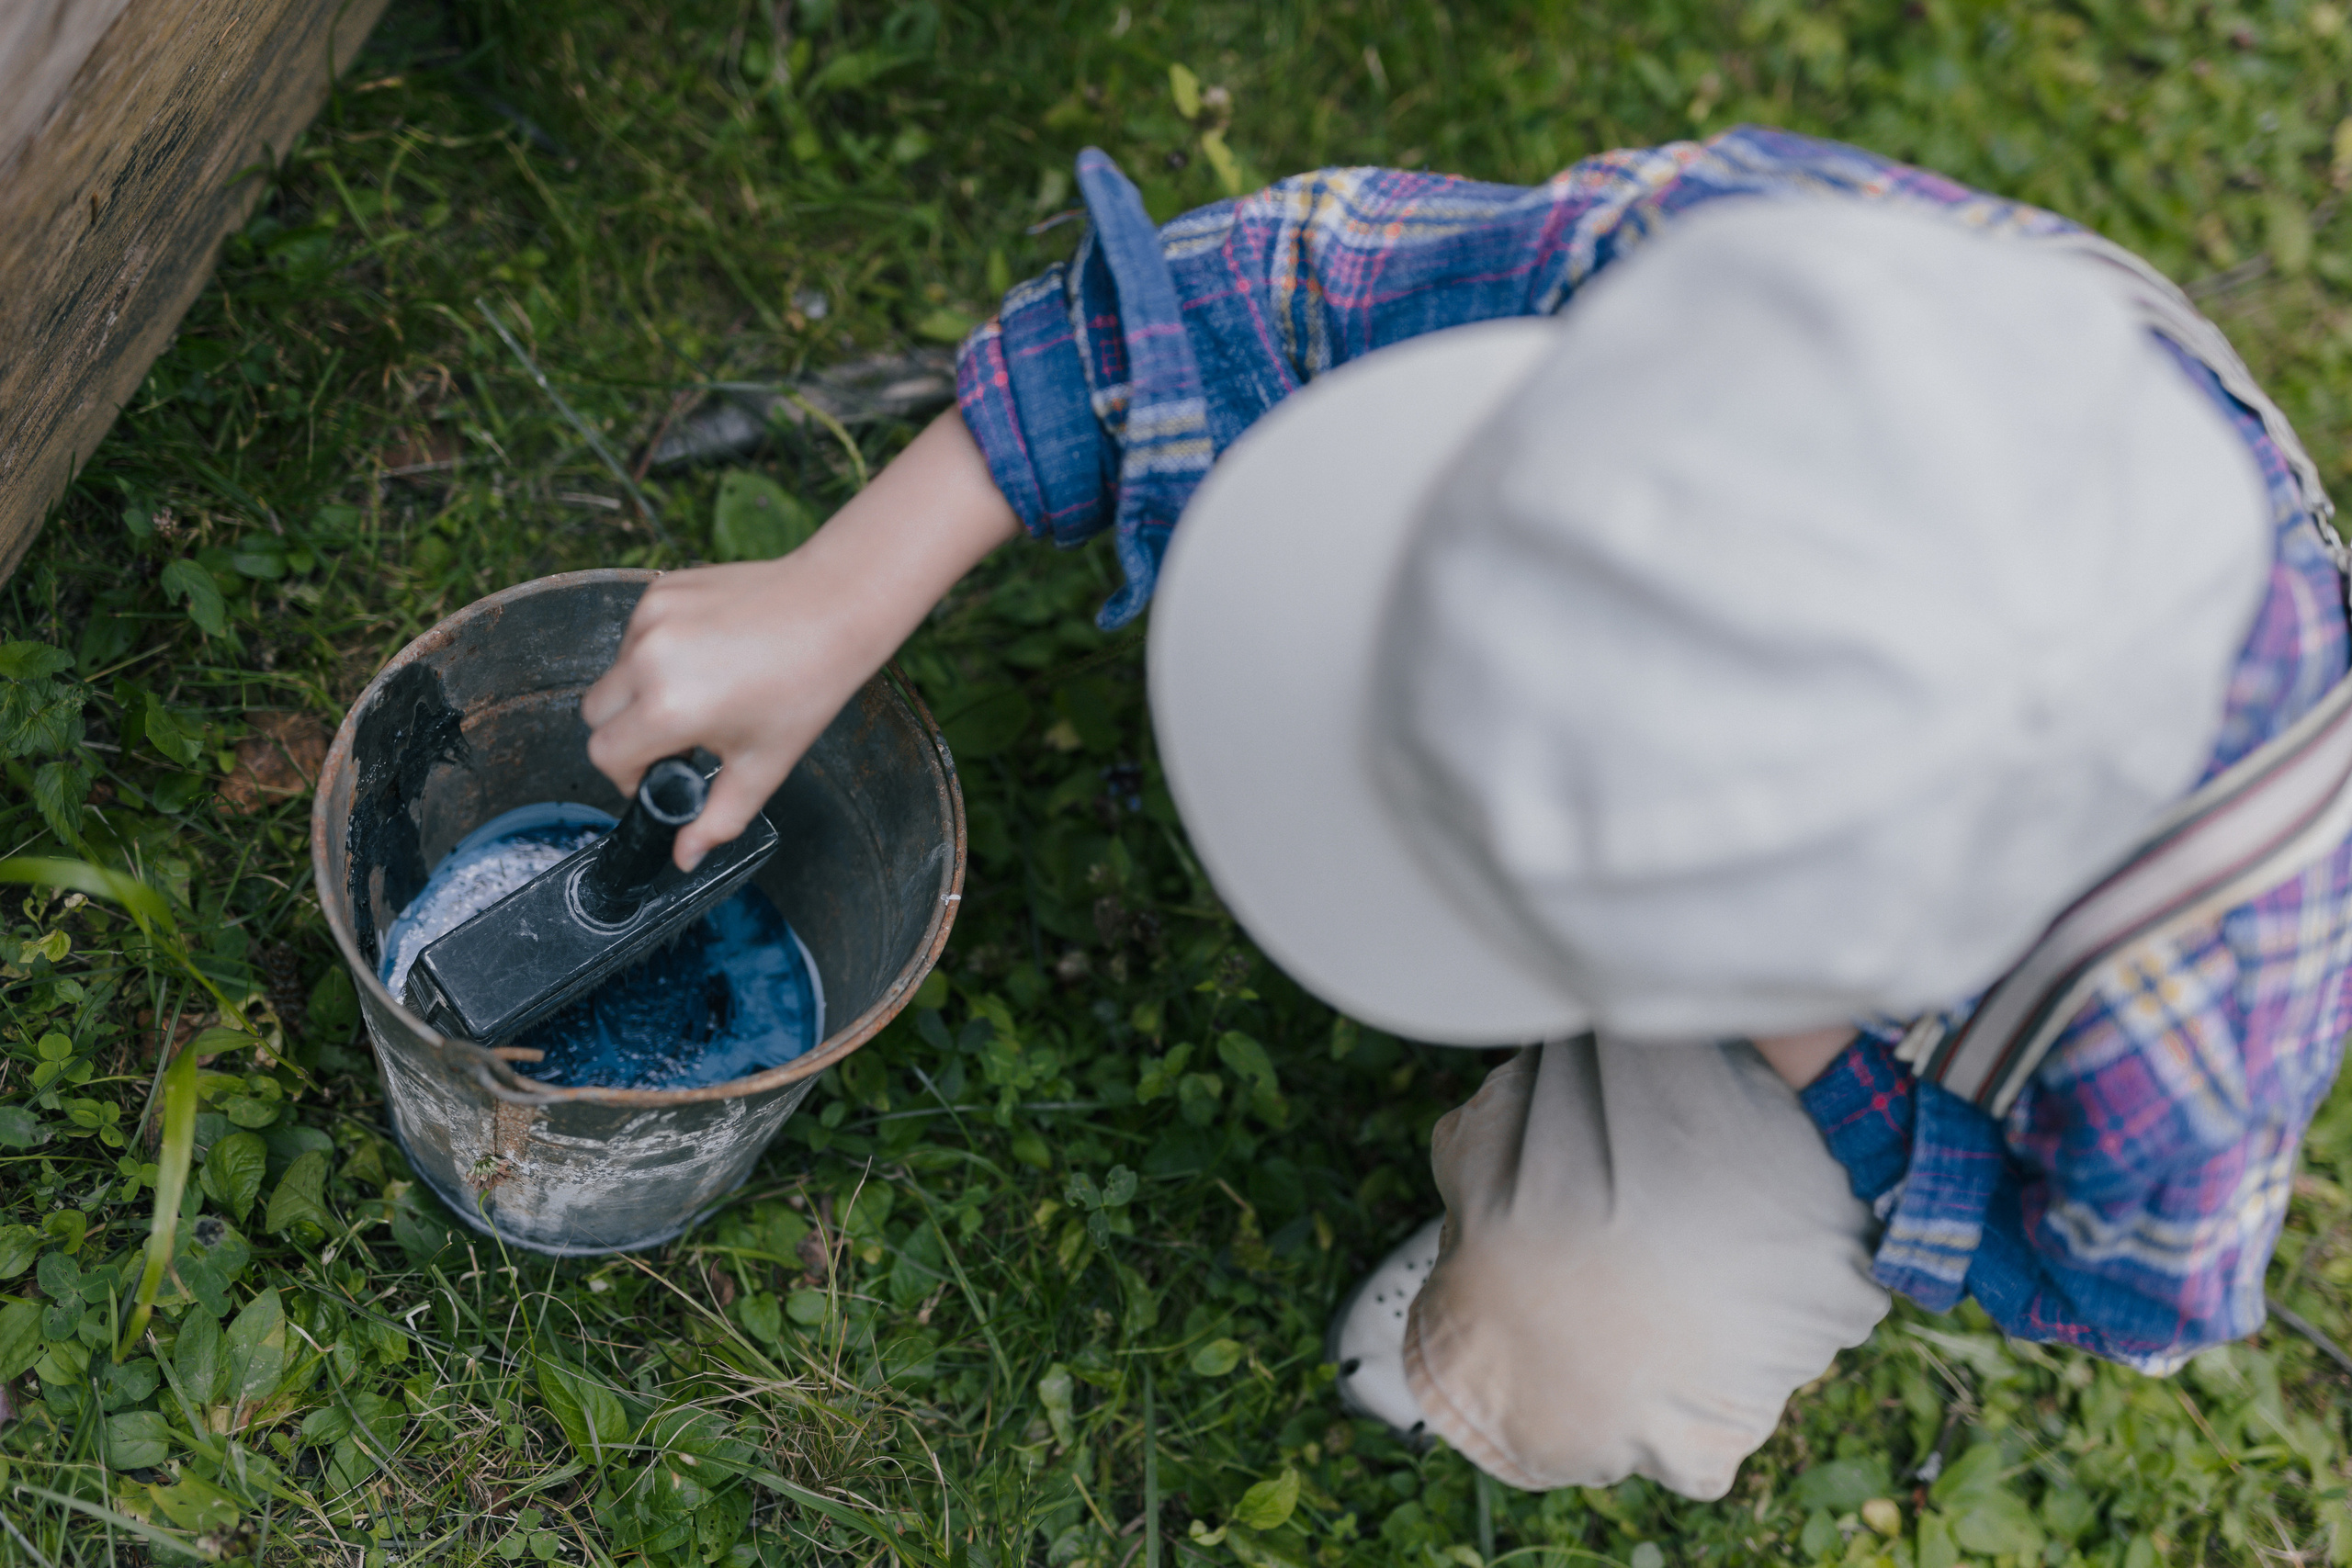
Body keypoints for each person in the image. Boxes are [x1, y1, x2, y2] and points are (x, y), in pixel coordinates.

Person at [578, 125, 2352, 1498]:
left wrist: (1818, 1052)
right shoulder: (1743, 293)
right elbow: (1285, 288)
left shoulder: (2183, 1023)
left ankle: (1527, 1305)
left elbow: (2110, 1291)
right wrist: (852, 576)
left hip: (1862, 1035)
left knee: (1595, 1336)